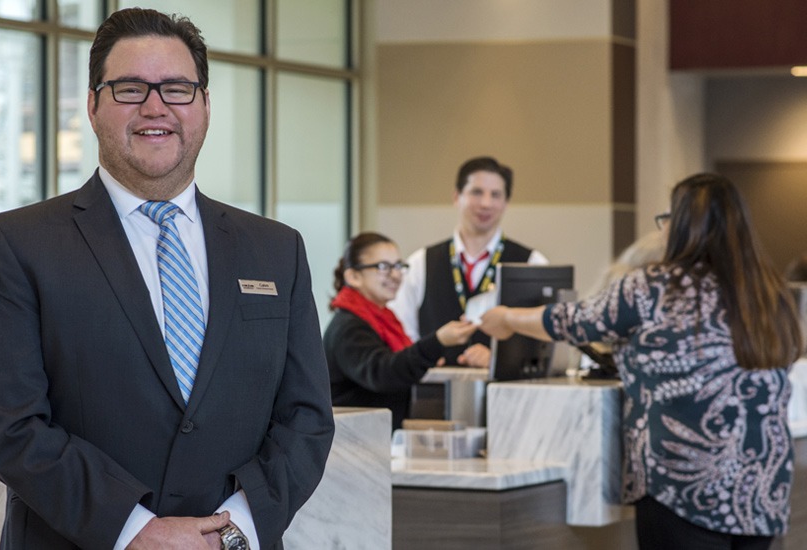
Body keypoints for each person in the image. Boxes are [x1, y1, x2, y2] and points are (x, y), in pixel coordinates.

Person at [0, 8, 334, 550]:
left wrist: (233, 530)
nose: (155, 107)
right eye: (130, 88)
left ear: (205, 106)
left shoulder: (277, 250)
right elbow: (7, 427)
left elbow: (306, 418)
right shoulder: (18, 244)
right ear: (92, 105)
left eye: (178, 89)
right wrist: (133, 529)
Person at [481, 173, 803, 550]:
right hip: (761, 488)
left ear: (683, 226)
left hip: (683, 485)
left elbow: (575, 321)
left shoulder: (653, 286)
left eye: (667, 220)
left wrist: (506, 319)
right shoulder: (769, 291)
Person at [389, 156, 548, 368]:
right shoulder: (421, 263)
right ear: (457, 197)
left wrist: (497, 359)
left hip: (505, 394)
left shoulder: (532, 263)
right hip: (433, 391)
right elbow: (399, 330)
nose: (486, 203)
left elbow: (546, 336)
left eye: (496, 195)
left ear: (506, 203)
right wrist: (425, 354)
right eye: (477, 192)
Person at [323, 232, 479, 430]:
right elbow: (385, 373)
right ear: (353, 276)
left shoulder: (384, 319)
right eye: (383, 267)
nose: (396, 275)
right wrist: (437, 342)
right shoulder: (349, 327)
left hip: (373, 441)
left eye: (398, 266)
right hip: (354, 447)